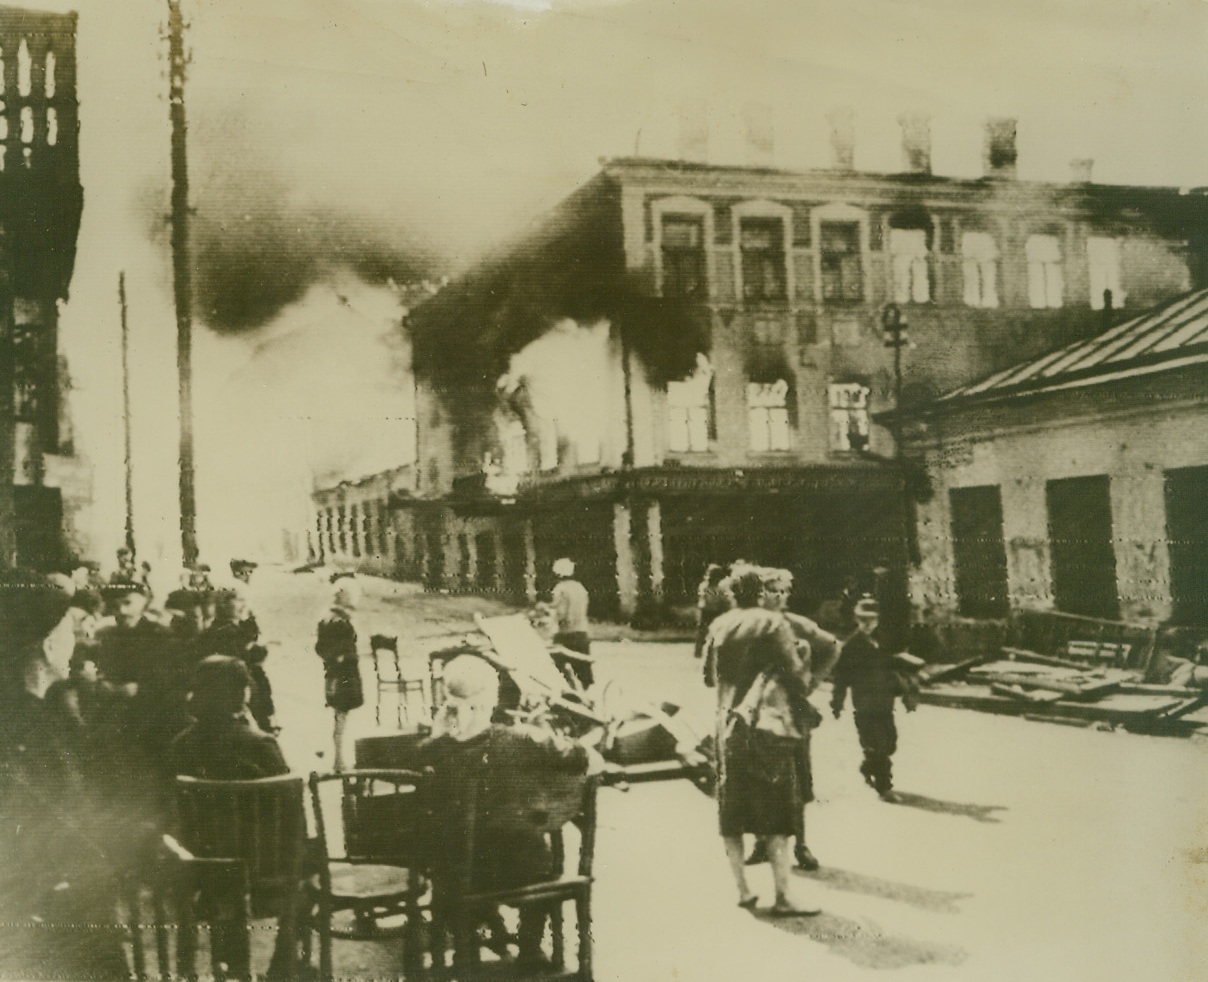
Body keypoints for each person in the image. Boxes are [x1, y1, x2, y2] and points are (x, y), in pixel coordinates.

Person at [419, 655, 598, 966]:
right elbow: (587, 759)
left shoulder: (432, 750)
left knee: (464, 850)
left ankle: (475, 940)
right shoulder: (521, 740)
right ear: (492, 698)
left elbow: (419, 758)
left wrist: (439, 733)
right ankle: (529, 946)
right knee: (537, 854)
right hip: (522, 871)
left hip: (457, 874)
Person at [0, 573, 130, 980]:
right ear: (49, 640)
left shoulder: (38, 702)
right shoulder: (38, 715)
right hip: (46, 874)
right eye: (69, 631)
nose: (75, 641)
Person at [703, 569, 821, 917]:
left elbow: (709, 677)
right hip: (768, 726)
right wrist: (802, 658)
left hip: (728, 726)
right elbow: (797, 677)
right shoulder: (772, 624)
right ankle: (783, 896)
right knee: (778, 814)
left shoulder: (719, 625)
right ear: (760, 594)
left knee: (732, 810)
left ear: (731, 594)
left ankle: (742, 890)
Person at [168, 656, 292, 980]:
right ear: (244, 695)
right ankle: (284, 968)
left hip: (201, 864)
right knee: (307, 860)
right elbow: (289, 804)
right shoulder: (262, 744)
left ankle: (223, 971)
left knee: (226, 882)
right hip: (264, 867)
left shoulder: (181, 745)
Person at [744, 567, 839, 872]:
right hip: (754, 708)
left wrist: (812, 683)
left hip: (793, 710)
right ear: (759, 593)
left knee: (795, 777)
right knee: (755, 775)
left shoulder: (796, 624)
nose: (780, 597)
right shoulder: (749, 625)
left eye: (784, 591)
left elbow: (833, 647)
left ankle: (800, 845)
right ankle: (761, 842)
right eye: (773, 590)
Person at [830, 597, 901, 802]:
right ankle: (884, 787)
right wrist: (837, 702)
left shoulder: (884, 640)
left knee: (890, 743)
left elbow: (893, 668)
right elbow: (841, 678)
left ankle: (867, 766)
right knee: (876, 744)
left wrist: (903, 690)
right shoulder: (852, 646)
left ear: (878, 620)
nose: (867, 624)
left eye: (871, 619)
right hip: (864, 706)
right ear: (856, 619)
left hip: (885, 703)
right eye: (862, 619)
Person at [204, 587, 276, 733]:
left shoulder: (233, 628)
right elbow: (244, 657)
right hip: (236, 694)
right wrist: (258, 650)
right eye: (239, 600)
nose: (243, 605)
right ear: (224, 604)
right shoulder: (224, 632)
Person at [315, 576, 364, 771]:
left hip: (336, 674)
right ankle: (338, 759)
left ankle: (339, 757)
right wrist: (341, 658)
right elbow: (331, 648)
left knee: (340, 716)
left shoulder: (328, 618)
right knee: (341, 717)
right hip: (343, 674)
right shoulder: (339, 621)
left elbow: (321, 648)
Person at [550, 558, 594, 689]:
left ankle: (567, 693)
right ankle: (582, 695)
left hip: (566, 634)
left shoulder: (560, 588)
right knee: (583, 669)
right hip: (582, 632)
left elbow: (562, 613)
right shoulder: (580, 587)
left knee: (555, 666)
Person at [693, 564, 731, 660]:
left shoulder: (721, 588)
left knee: (718, 631)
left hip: (717, 611)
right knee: (702, 631)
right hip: (706, 611)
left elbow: (724, 600)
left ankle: (717, 650)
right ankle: (698, 652)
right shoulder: (704, 586)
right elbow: (703, 599)